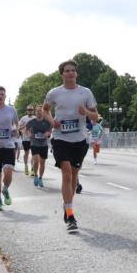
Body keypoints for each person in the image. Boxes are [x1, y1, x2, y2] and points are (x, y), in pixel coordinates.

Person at [43, 60, 98, 231]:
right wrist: (52, 121)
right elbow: (45, 109)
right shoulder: (54, 93)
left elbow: (96, 117)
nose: (70, 73)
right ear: (62, 74)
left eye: (73, 70)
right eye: (67, 71)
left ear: (76, 73)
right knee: (66, 174)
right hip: (60, 138)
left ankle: (67, 206)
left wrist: (87, 112)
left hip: (80, 140)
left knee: (74, 177)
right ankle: (71, 215)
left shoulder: (85, 92)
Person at [26, 106, 52, 187]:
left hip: (44, 144)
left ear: (43, 112)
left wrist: (47, 133)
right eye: (37, 111)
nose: (39, 112)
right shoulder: (32, 121)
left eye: (40, 111)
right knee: (36, 161)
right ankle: (36, 176)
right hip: (34, 144)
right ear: (36, 112)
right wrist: (29, 134)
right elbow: (26, 130)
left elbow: (50, 130)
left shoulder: (47, 122)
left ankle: (40, 178)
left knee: (42, 162)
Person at [19, 105, 36, 176]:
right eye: (29, 110)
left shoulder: (35, 118)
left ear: (33, 110)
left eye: (31, 110)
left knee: (34, 154)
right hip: (26, 138)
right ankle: (26, 166)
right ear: (27, 110)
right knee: (26, 153)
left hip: (34, 139)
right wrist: (25, 126)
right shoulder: (23, 118)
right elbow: (19, 128)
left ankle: (32, 168)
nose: (30, 111)